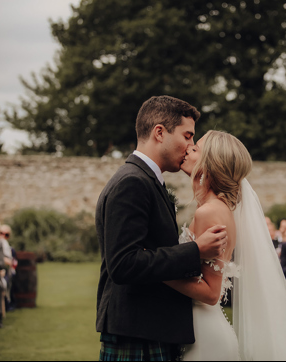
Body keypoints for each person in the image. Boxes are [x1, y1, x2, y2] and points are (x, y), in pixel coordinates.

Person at [95, 96, 228, 362]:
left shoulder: (145, 180)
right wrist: (196, 250)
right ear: (159, 132)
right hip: (138, 330)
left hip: (148, 328)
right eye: (187, 136)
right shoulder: (132, 182)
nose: (191, 146)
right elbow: (123, 264)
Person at [164, 130, 286, 360]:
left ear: (210, 163)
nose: (188, 148)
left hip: (204, 338)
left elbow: (212, 292)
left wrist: (156, 271)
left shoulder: (210, 211)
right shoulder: (217, 208)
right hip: (199, 328)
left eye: (196, 148)